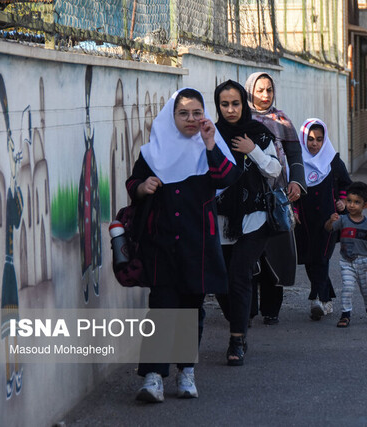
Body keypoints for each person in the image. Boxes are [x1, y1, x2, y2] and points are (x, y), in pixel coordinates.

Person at [127, 88, 239, 402]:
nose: (190, 119)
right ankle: (153, 377)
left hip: (198, 246)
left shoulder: (209, 148)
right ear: (171, 116)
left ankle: (186, 371)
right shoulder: (153, 152)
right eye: (183, 113)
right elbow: (132, 183)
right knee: (161, 310)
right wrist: (142, 186)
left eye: (196, 113)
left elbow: (226, 177)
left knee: (191, 311)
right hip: (161, 245)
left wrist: (209, 143)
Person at [213, 80, 282, 366]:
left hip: (254, 219)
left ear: (244, 104)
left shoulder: (258, 133)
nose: (230, 110)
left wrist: (252, 149)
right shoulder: (212, 134)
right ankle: (238, 318)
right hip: (219, 221)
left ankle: (236, 339)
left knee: (240, 275)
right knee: (221, 281)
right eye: (224, 104)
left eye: (236, 103)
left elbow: (275, 169)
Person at [244, 72, 307, 325]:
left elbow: (295, 155)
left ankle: (272, 310)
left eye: (269, 90)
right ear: (250, 91)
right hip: (248, 195)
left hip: (278, 194)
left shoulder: (282, 120)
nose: (265, 95)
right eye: (260, 90)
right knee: (248, 255)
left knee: (277, 252)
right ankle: (246, 311)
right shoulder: (242, 120)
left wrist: (296, 182)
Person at [293, 118, 351, 320]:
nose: (315, 143)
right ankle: (326, 299)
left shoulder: (332, 159)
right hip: (305, 222)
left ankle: (316, 297)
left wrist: (342, 200)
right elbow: (291, 189)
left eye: (319, 139)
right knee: (310, 259)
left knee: (322, 257)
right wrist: (295, 211)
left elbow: (345, 183)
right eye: (310, 139)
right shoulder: (297, 161)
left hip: (329, 218)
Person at [326, 181, 367, 327]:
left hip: (364, 262)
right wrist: (330, 220)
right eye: (349, 201)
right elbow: (329, 229)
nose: (352, 205)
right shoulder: (343, 220)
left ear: (365, 205)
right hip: (347, 261)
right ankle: (345, 314)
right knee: (347, 287)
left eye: (357, 202)